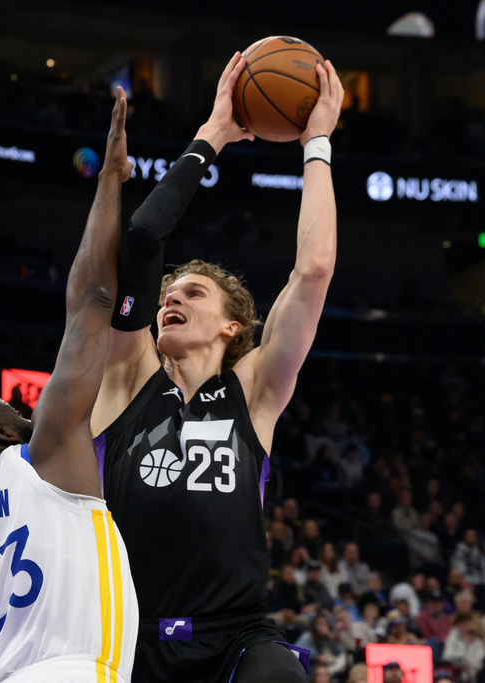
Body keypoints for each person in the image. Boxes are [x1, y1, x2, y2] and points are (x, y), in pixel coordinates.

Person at [89, 53, 343, 683]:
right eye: (169, 295)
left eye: (194, 293)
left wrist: (316, 145)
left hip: (238, 634)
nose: (172, 298)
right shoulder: (124, 381)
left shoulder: (254, 390)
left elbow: (312, 272)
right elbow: (144, 238)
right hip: (132, 635)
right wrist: (214, 135)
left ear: (234, 327)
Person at [0, 87, 137, 682]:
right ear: (3, 430)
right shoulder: (41, 453)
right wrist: (112, 178)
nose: (26, 411)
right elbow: (94, 299)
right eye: (12, 408)